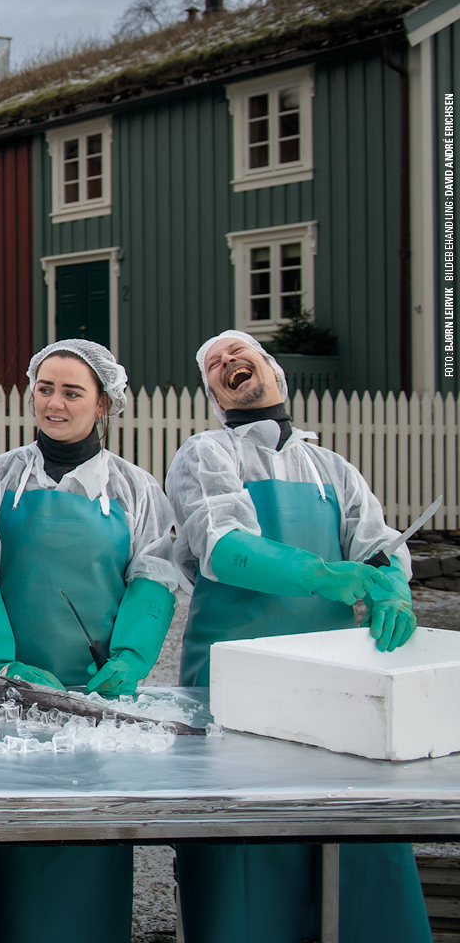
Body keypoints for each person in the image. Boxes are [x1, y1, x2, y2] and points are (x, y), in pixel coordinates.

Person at [168, 330, 426, 943]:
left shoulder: (332, 467)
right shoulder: (207, 454)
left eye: (239, 352)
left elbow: (380, 547)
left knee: (353, 836)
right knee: (246, 852)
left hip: (332, 685)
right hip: (234, 683)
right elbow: (224, 549)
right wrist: (327, 574)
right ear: (214, 394)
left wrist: (394, 589)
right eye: (213, 364)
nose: (227, 361)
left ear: (274, 371)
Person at [0, 340, 182, 943]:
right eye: (45, 389)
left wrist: (132, 657)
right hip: (4, 690)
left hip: (94, 695)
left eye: (72, 392)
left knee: (87, 832)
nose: (54, 404)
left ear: (104, 403)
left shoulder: (137, 490)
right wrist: (2, 660)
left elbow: (155, 575)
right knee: (6, 831)